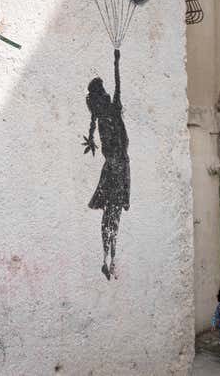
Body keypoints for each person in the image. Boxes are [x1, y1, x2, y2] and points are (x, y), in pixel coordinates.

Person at [82, 49, 130, 281]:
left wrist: (91, 141)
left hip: (116, 167)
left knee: (110, 215)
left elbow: (92, 131)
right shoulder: (111, 109)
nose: (107, 93)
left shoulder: (102, 114)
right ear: (101, 96)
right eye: (103, 91)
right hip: (118, 167)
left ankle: (108, 258)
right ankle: (109, 258)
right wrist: (116, 62)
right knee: (113, 215)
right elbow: (118, 84)